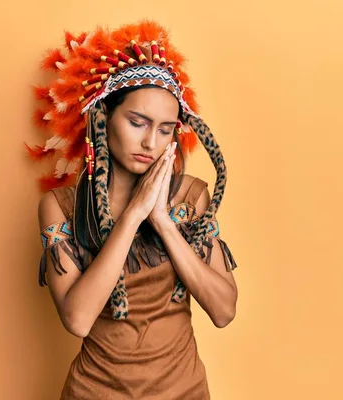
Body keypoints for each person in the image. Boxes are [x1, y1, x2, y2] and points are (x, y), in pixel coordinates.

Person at [28, 20, 239, 399]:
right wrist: (134, 216)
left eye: (164, 129)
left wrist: (162, 220)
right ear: (103, 119)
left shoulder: (190, 199)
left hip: (183, 391)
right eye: (137, 122)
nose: (150, 141)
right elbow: (77, 319)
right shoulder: (60, 207)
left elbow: (223, 311)